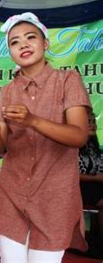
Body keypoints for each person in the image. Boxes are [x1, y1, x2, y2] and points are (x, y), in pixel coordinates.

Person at [0, 12, 90, 262]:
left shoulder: (68, 81)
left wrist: (33, 121)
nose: (23, 44)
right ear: (10, 52)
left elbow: (78, 136)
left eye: (30, 37)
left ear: (46, 43)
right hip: (12, 192)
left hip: (54, 196)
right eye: (15, 42)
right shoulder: (7, 91)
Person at [79, 109, 103, 258]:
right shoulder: (71, 147)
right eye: (88, 122)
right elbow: (68, 175)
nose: (93, 125)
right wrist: (95, 179)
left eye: (94, 121)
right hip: (77, 189)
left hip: (96, 187)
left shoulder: (94, 148)